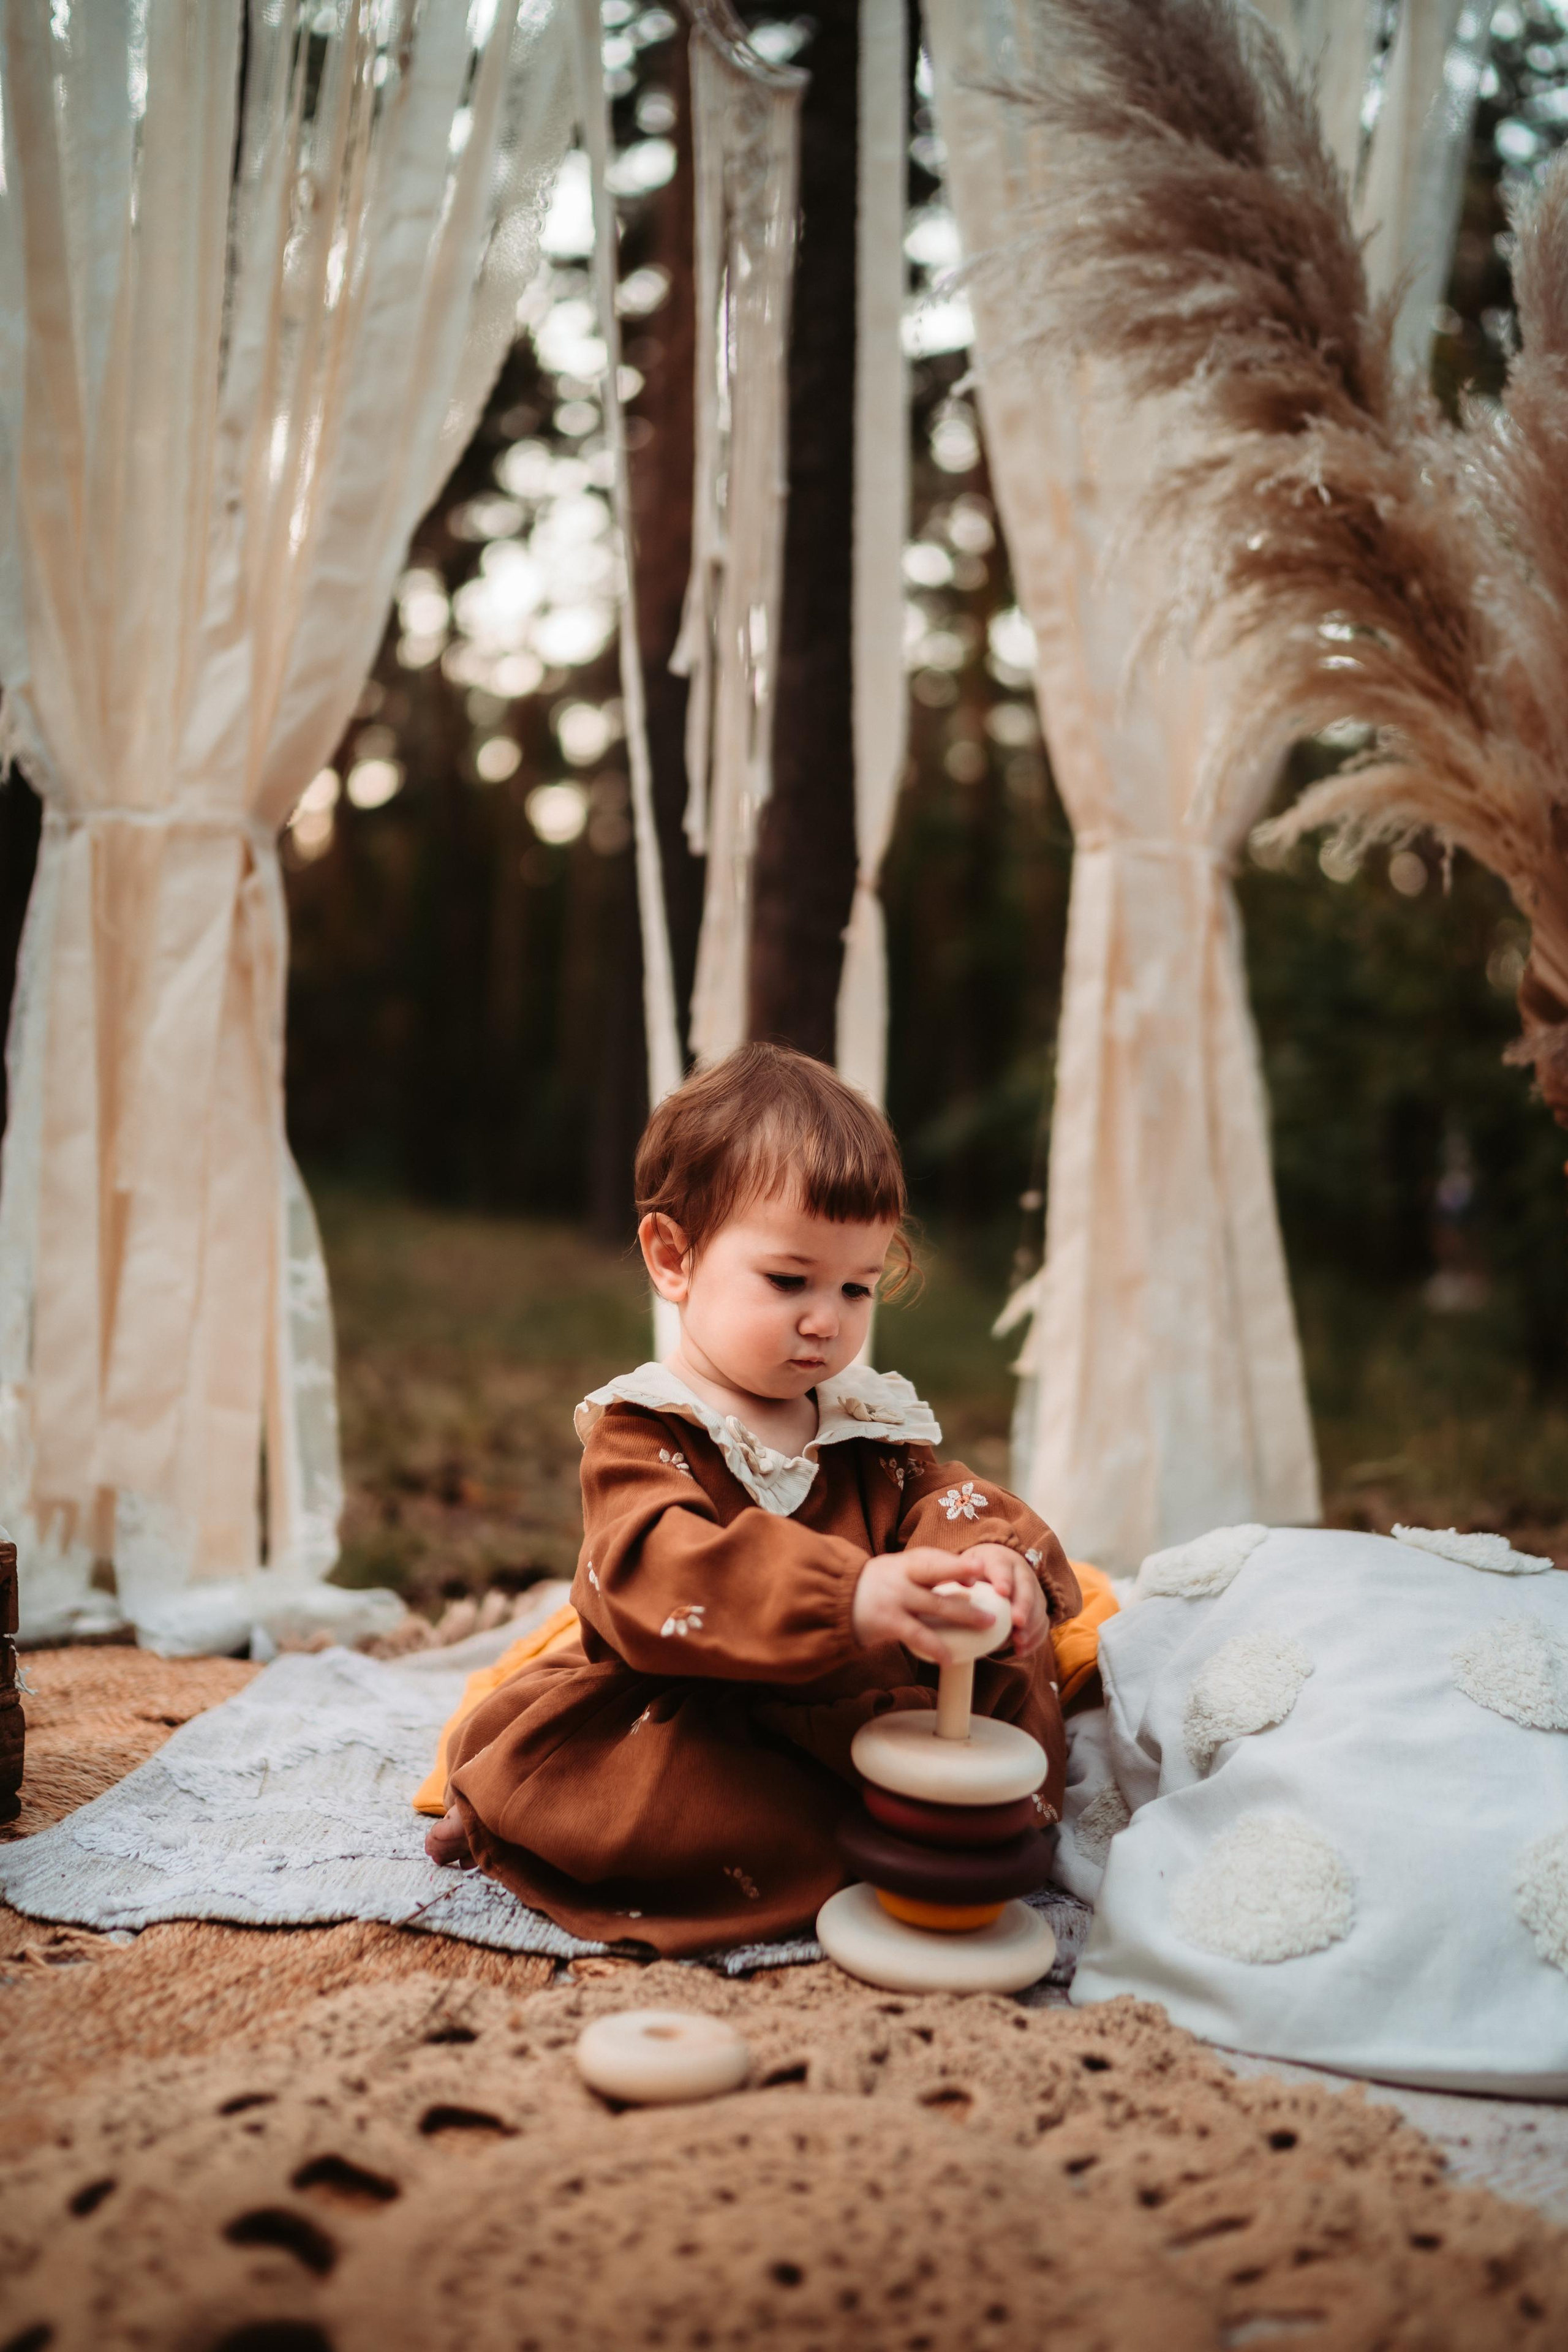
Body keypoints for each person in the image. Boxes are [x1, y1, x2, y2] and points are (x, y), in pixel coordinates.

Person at [424, 1042, 1080, 1955]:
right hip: (704, 1694)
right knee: (651, 1801)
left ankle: (931, 1833)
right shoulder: (651, 1428)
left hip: (855, 1692)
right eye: (789, 1281)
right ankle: (513, 1822)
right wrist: (842, 1595)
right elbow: (655, 1566)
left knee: (1002, 1675)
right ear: (672, 1256)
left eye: (858, 1286)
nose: (828, 1320)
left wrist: (990, 1560)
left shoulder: (865, 1421)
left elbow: (943, 1495)